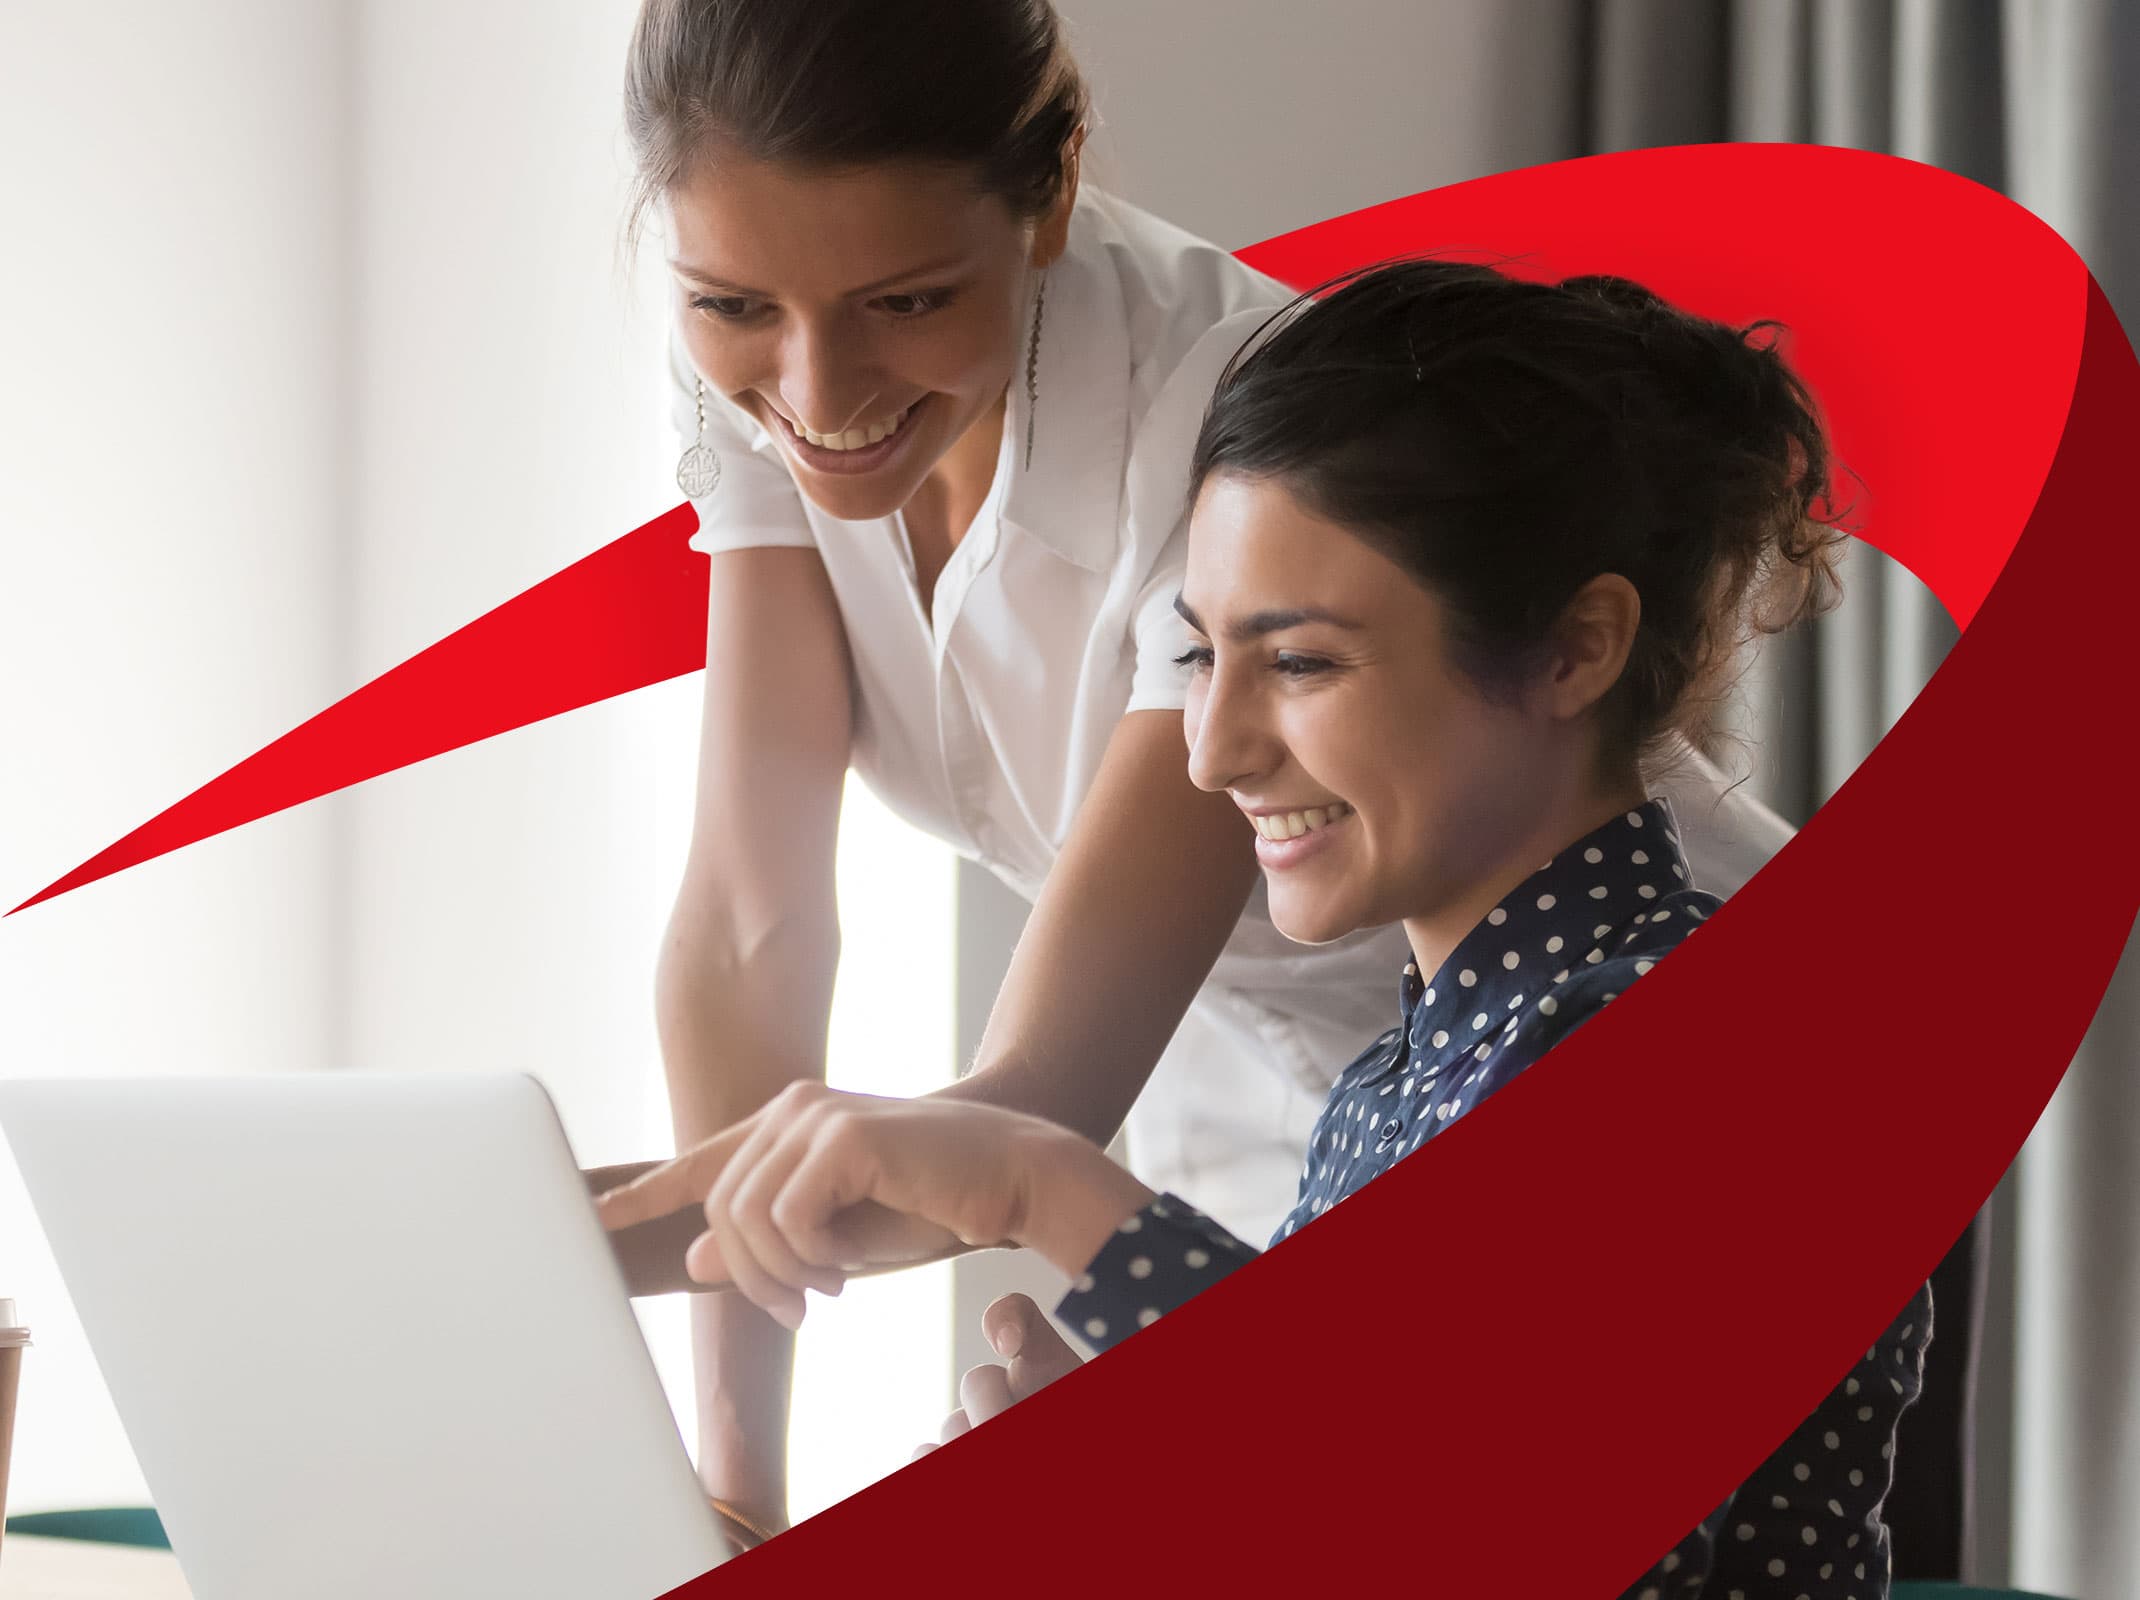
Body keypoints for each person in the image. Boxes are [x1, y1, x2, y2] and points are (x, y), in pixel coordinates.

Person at [606, 0, 1795, 1546]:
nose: (818, 395)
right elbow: (752, 928)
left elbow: (1039, 1111)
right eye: (731, 305)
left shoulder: (1244, 422)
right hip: (1342, 1099)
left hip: (1638, 1061)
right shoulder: (770, 345)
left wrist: (537, 1244)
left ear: (1051, 191)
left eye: (904, 300)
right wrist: (733, 1492)